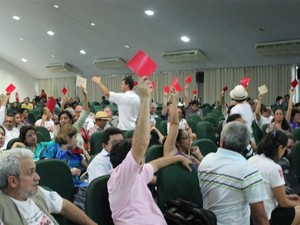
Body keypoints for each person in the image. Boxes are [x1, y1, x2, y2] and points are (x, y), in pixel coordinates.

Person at [107, 77, 192, 225]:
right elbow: (140, 145)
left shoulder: (137, 174)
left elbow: (156, 164)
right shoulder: (120, 177)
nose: (142, 158)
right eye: (140, 158)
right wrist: (145, 99)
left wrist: (178, 158)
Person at [0, 148, 97, 225]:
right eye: (31, 173)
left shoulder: (36, 192)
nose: (38, 177)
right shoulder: (3, 209)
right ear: (13, 181)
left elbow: (64, 206)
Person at [198, 121, 269, 225]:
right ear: (245, 146)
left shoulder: (206, 160)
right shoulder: (249, 171)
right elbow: (260, 219)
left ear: (222, 142)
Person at [249, 130, 300, 225]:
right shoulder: (274, 168)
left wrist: (288, 197)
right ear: (280, 148)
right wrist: (297, 204)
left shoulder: (251, 160)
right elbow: (283, 202)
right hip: (267, 216)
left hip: (251, 215)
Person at [164, 88, 203, 169]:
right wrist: (175, 99)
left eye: (188, 137)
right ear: (177, 142)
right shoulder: (172, 151)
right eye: (185, 138)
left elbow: (204, 169)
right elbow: (174, 124)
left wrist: (199, 156)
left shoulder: (190, 155)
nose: (189, 140)